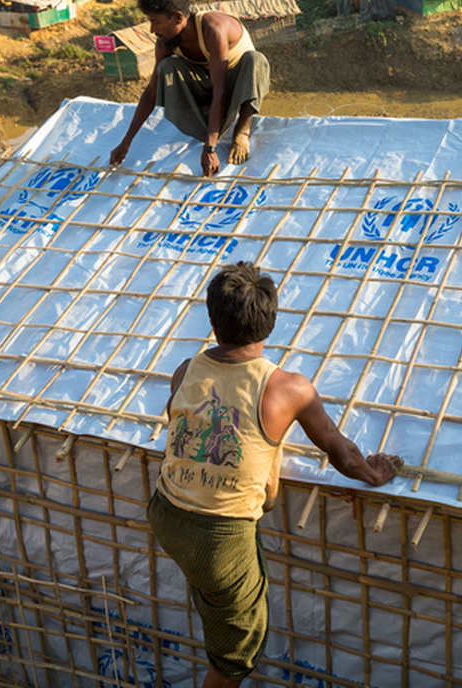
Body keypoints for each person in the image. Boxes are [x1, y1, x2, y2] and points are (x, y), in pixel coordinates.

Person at [147, 262, 402, 688]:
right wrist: (373, 474)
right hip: (219, 533)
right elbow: (341, 451)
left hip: (166, 511)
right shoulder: (288, 388)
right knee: (237, 652)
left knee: (216, 598)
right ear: (271, 321)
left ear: (212, 321)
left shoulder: (185, 370)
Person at [109, 0, 270, 177]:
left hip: (235, 88)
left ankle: (241, 131)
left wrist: (210, 148)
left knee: (256, 60)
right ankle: (206, 130)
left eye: (156, 22)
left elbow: (221, 90)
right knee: (167, 67)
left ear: (177, 17)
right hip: (207, 89)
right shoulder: (165, 42)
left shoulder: (213, 29)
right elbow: (151, 91)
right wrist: (126, 142)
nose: (152, 30)